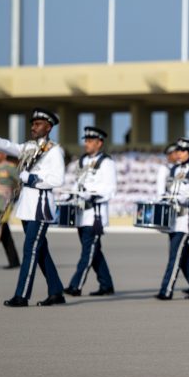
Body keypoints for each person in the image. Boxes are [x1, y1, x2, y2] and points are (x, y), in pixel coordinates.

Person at [0, 108, 67, 307]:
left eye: (38, 124)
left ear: (48, 127)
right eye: (32, 123)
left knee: (30, 250)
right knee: (41, 251)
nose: (33, 127)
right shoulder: (28, 147)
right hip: (27, 207)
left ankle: (22, 295)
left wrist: (32, 178)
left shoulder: (54, 150)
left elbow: (58, 179)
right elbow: (8, 146)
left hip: (41, 208)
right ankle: (56, 291)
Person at [63, 127, 117, 297]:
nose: (85, 144)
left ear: (99, 143)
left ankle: (75, 285)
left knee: (88, 252)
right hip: (81, 214)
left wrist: (89, 192)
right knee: (94, 252)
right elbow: (78, 184)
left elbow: (110, 189)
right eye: (85, 140)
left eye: (89, 141)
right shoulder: (82, 161)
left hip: (95, 216)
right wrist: (69, 195)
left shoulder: (106, 163)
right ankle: (106, 284)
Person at [154, 138, 189, 300]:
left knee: (175, 255)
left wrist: (186, 198)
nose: (178, 154)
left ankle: (166, 290)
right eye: (178, 151)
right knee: (183, 256)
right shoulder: (173, 171)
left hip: (185, 220)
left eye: (182, 151)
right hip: (172, 220)